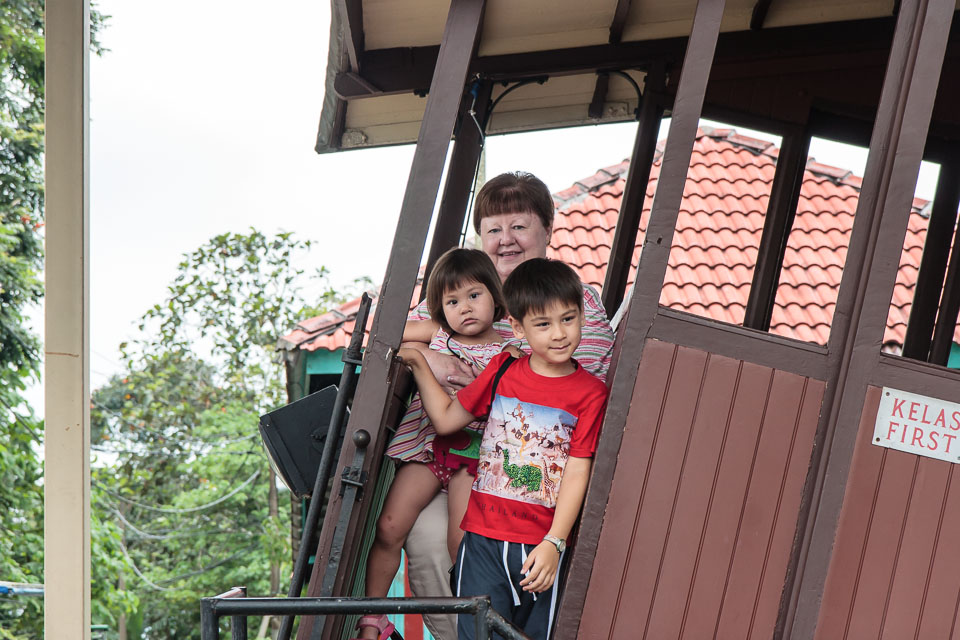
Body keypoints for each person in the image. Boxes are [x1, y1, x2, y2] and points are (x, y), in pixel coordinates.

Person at [402, 171, 615, 639]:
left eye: (519, 226)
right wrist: (433, 356)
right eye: (494, 229)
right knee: (427, 541)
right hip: (458, 461)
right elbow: (398, 335)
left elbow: (574, 385)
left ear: (547, 230)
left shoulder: (570, 301)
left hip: (537, 477)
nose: (506, 240)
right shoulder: (464, 288)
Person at [352, 248, 517, 640]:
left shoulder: (513, 345)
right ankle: (374, 617)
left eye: (474, 295)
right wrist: (423, 351)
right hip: (427, 447)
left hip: (472, 457)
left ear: (494, 295)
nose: (465, 308)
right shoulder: (441, 334)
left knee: (459, 544)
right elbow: (386, 331)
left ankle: (477, 625)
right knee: (389, 526)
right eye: (452, 302)